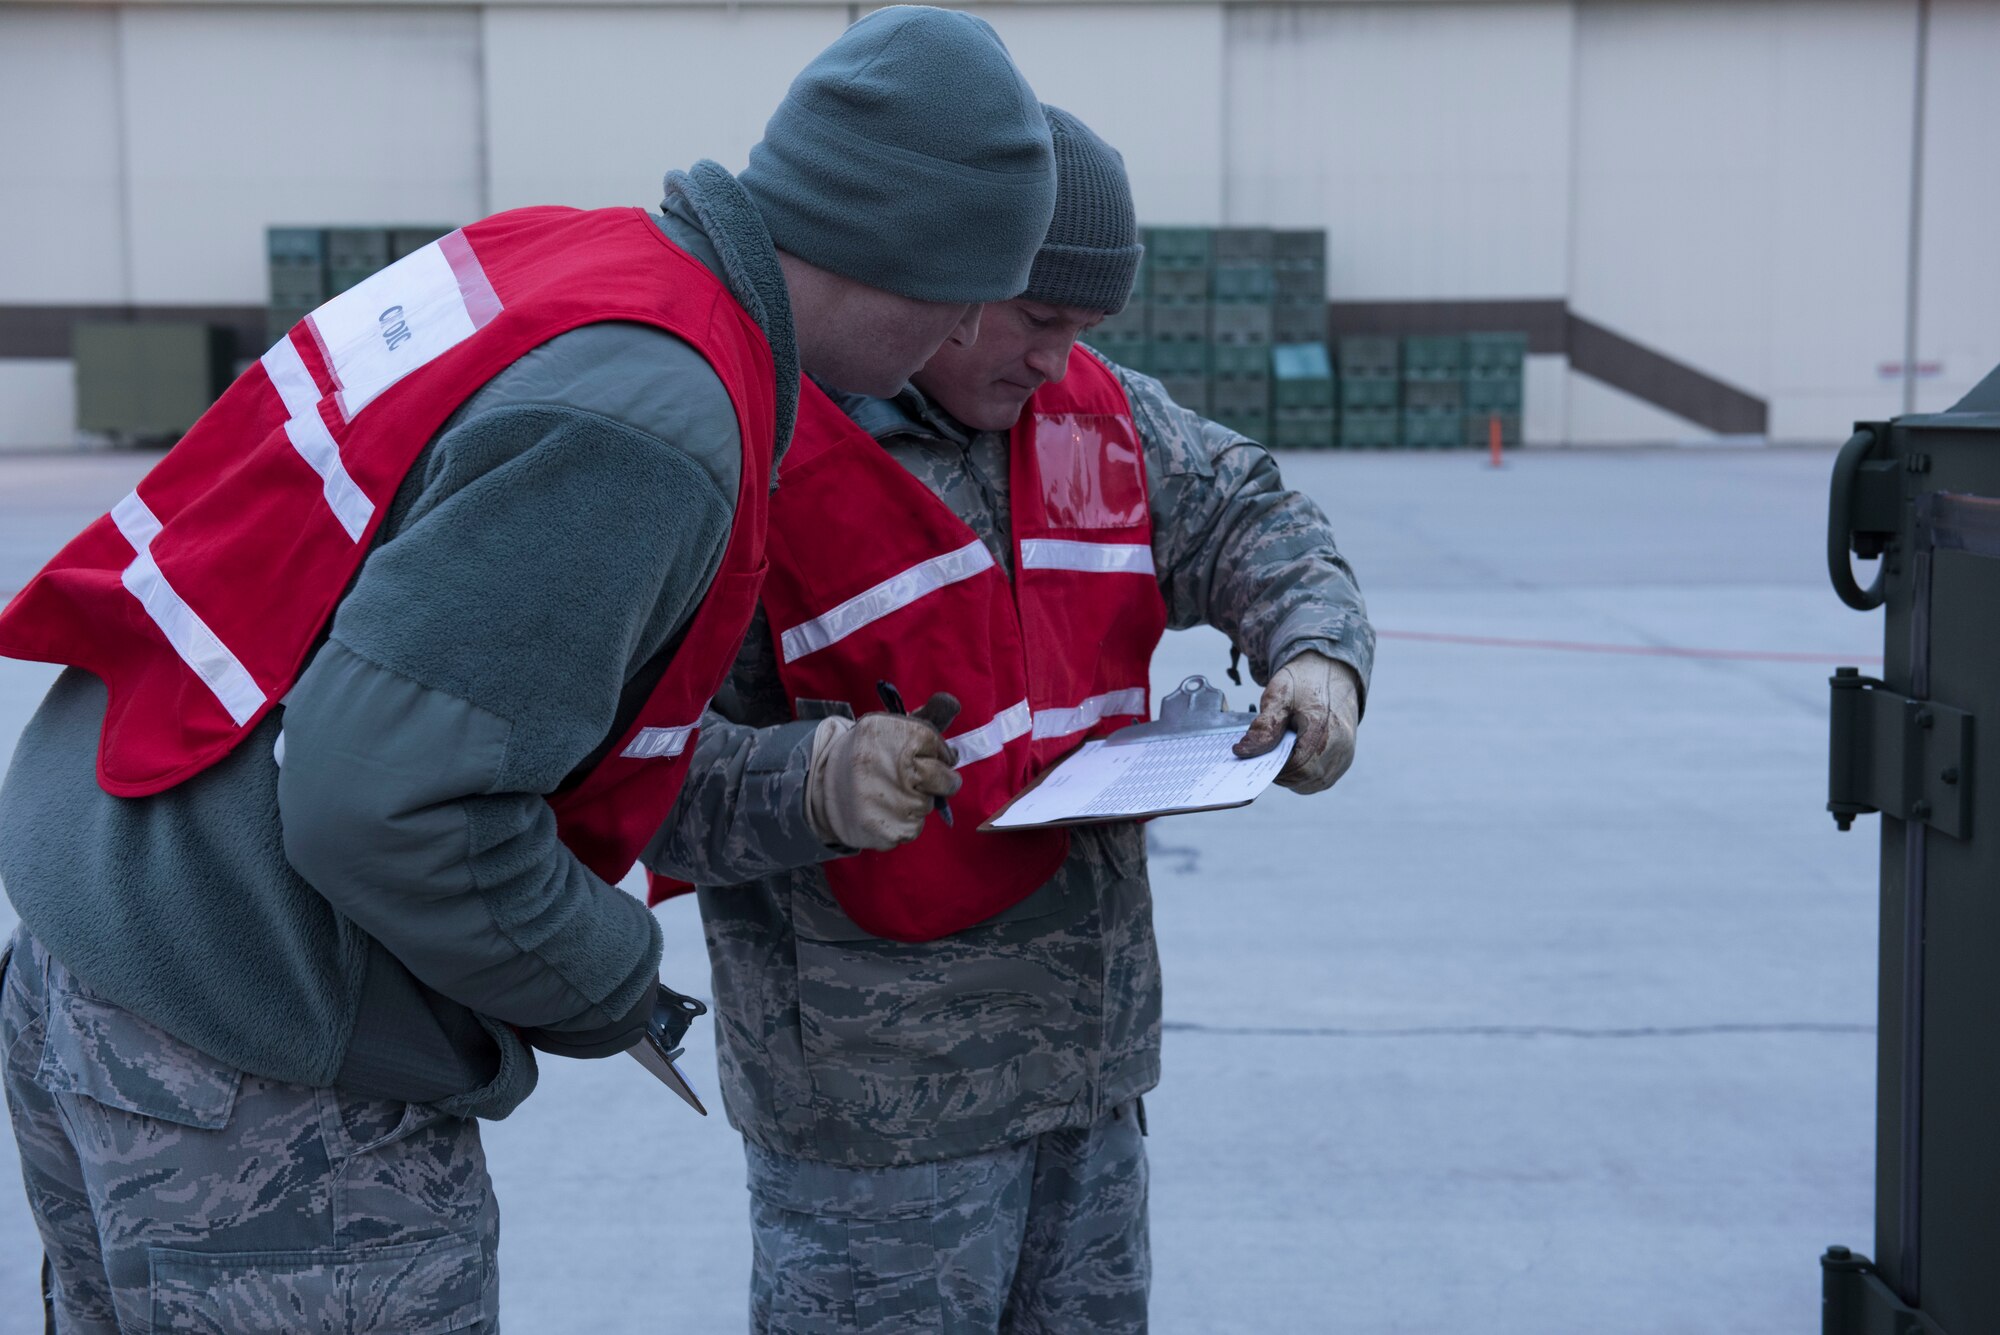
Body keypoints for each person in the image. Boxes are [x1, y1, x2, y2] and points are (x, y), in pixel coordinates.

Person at [0, 8, 1057, 1328]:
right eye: (971, 294)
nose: (965, 332)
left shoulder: (577, 259)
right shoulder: (655, 424)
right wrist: (612, 976)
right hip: (262, 1053)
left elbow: (500, 709)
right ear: (906, 255)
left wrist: (815, 778)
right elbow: (386, 802)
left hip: (105, 936)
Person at [651, 106, 1375, 1333]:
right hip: (875, 1121)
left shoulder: (1103, 418)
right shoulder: (746, 451)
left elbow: (1256, 517)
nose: (1057, 359)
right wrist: (813, 780)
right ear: (943, 279)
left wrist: (1317, 658)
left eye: (1085, 330)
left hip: (1086, 1083)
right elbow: (636, 771)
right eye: (1038, 319)